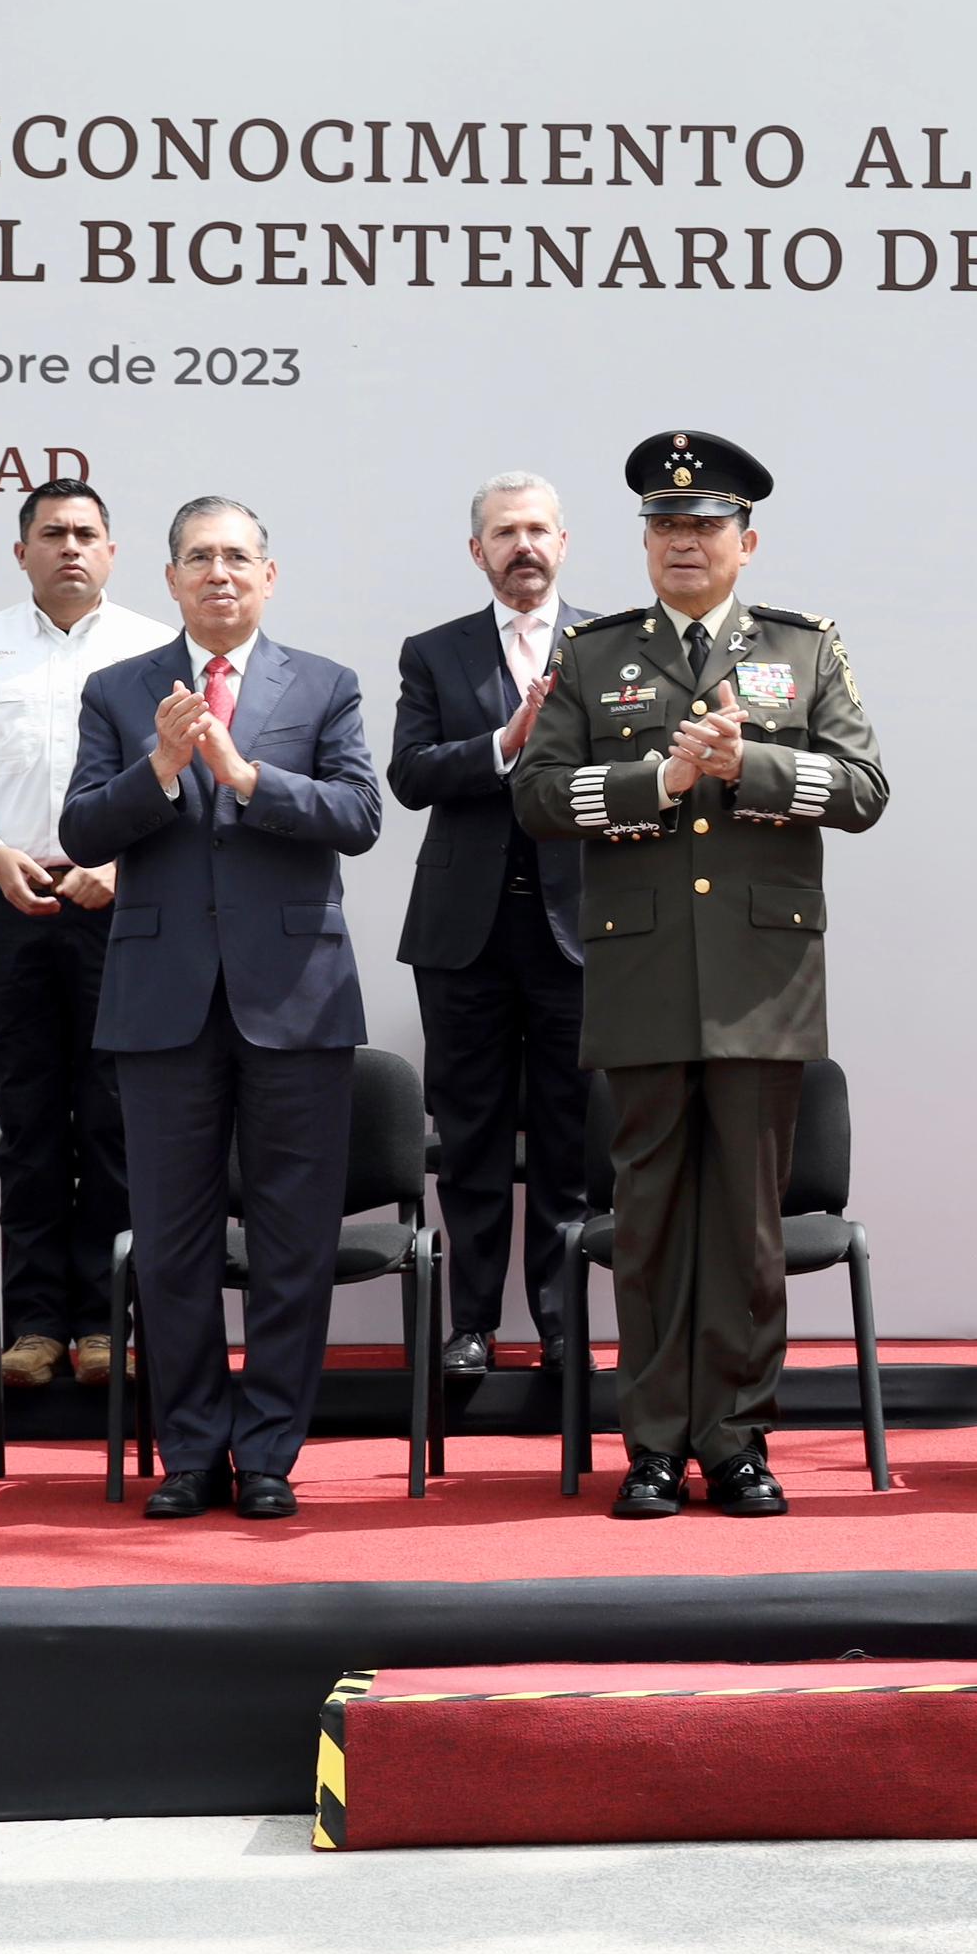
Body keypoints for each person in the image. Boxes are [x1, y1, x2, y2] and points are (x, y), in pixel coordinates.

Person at [513, 431, 887, 1521]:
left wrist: (750, 766)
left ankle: (734, 1441)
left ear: (745, 541)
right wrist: (656, 779)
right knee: (649, 1220)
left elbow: (864, 790)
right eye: (666, 527)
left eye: (705, 526)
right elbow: (537, 797)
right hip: (638, 979)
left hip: (763, 978)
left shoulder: (804, 649)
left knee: (745, 1228)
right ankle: (648, 1443)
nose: (684, 542)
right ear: (643, 545)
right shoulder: (590, 655)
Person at [62, 496, 385, 1522]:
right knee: (172, 1242)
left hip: (295, 1000)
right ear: (168, 580)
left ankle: (273, 1448)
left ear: (268, 575)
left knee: (294, 1242)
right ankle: (193, 1449)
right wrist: (158, 767)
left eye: (237, 557)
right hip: (162, 1005)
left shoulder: (324, 685)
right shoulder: (119, 691)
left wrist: (247, 776)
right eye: (199, 558)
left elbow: (359, 815)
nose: (219, 573)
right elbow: (77, 825)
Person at [0, 478, 171, 1395]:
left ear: (112, 552)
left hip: (122, 903)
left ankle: (107, 1325)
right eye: (51, 534)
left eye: (87, 534)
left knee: (112, 1116)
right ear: (19, 552)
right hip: (10, 899)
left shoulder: (155, 649)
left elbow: (186, 781)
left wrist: (125, 864)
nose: (70, 547)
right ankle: (32, 1325)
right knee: (27, 1118)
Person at [391, 471, 597, 1398]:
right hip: (463, 934)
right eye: (505, 532)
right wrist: (503, 744)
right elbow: (409, 773)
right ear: (478, 551)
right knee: (469, 1138)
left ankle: (562, 1324)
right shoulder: (433, 653)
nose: (524, 546)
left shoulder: (612, 648)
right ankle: (470, 1325)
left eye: (539, 531)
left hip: (581, 929)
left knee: (569, 1138)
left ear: (564, 543)